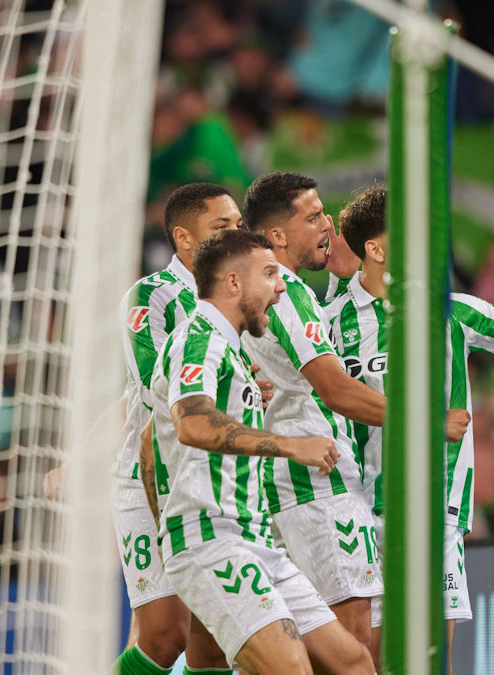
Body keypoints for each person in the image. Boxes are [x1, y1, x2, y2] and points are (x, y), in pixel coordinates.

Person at [324, 184, 494, 673]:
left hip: (435, 513)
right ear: (376, 250)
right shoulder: (329, 323)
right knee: (365, 663)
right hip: (358, 512)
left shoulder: (449, 309)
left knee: (428, 661)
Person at [144, 229, 372, 674]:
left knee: (353, 663)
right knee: (290, 669)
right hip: (212, 541)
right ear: (233, 283)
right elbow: (191, 423)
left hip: (254, 538)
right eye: (269, 274)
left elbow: (150, 443)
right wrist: (291, 446)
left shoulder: (229, 350)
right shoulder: (200, 337)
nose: (281, 285)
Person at [241, 172, 387, 649]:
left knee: (303, 653)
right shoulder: (287, 289)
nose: (328, 224)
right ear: (278, 236)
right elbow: (336, 391)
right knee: (353, 649)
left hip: (283, 489)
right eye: (313, 217)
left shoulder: (261, 289)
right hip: (319, 489)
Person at [113, 183, 244, 675]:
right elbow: (155, 389)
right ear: (184, 239)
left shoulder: (242, 289)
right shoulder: (150, 297)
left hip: (220, 479)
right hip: (148, 475)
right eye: (222, 227)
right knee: (166, 636)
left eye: (238, 224)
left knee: (213, 640)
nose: (236, 233)